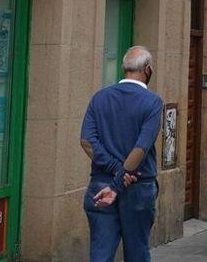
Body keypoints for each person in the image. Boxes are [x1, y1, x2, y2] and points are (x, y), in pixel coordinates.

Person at [80, 46, 163, 262]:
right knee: (137, 252)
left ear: (124, 68)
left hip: (100, 184)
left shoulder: (99, 98)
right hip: (137, 185)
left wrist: (114, 170)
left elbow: (87, 142)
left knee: (101, 253)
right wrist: (120, 179)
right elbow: (141, 149)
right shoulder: (152, 102)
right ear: (147, 69)